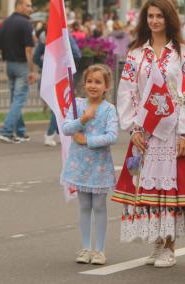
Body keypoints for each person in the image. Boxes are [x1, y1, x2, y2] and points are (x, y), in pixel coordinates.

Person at [112, 0, 185, 268]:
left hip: (174, 130)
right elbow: (127, 91)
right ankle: (156, 242)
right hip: (146, 130)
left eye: (160, 16)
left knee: (171, 189)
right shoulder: (135, 55)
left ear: (170, 19)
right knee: (148, 188)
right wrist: (132, 128)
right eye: (150, 16)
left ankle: (169, 246)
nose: (154, 21)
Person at [61, 64, 118, 265]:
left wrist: (88, 140)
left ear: (106, 86)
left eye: (98, 82)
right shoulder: (77, 105)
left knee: (100, 206)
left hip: (99, 167)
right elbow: (66, 128)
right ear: (84, 84)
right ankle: (85, 247)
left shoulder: (109, 109)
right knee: (84, 205)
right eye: (89, 81)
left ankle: (99, 250)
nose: (93, 85)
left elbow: (112, 136)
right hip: (80, 166)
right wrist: (82, 120)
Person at [33, 25, 81, 146]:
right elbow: (76, 54)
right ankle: (49, 134)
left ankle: (60, 134)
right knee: (60, 105)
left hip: (48, 74)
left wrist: (45, 65)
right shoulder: (66, 36)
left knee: (56, 105)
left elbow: (35, 57)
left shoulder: (44, 36)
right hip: (62, 74)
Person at [0, 0, 36, 143]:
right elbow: (29, 49)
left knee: (15, 100)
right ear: (18, 5)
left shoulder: (5, 22)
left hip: (9, 64)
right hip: (22, 65)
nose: (30, 9)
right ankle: (6, 131)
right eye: (27, 5)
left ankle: (20, 132)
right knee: (19, 100)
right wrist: (32, 70)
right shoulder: (25, 24)